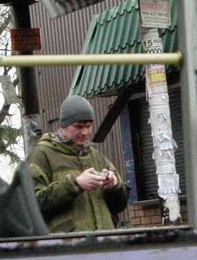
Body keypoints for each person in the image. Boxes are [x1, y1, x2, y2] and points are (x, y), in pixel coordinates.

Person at [29, 95, 128, 233]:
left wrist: (114, 186)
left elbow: (119, 206)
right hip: (67, 244)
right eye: (78, 126)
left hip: (105, 241)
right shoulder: (42, 156)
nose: (85, 132)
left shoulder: (97, 157)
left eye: (88, 126)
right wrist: (75, 185)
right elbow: (32, 205)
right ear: (64, 126)